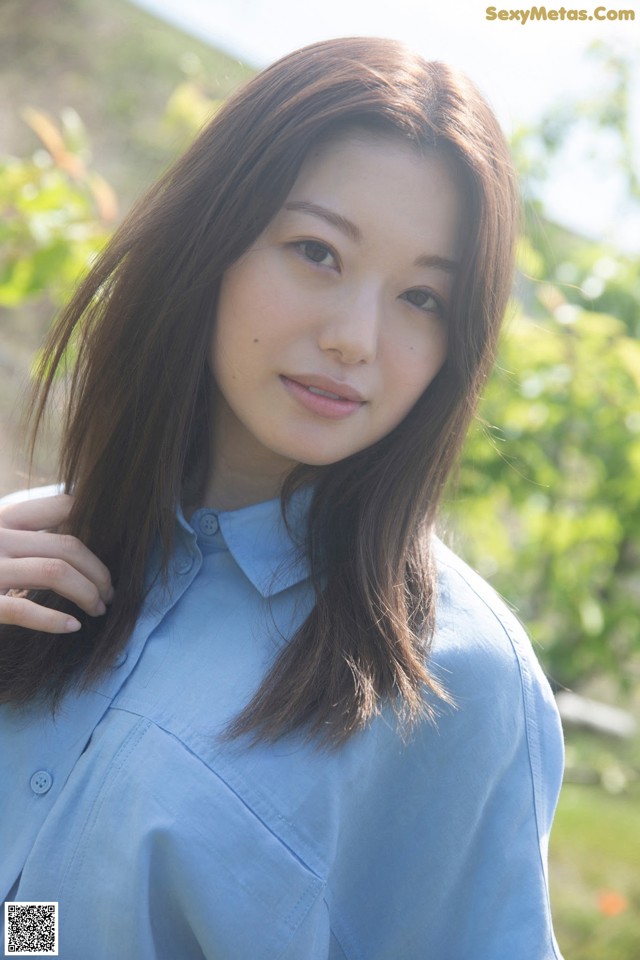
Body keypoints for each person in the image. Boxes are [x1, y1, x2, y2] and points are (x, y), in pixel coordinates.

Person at [0, 37, 564, 959]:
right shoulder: (53, 543)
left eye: (422, 299)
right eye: (317, 251)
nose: (355, 338)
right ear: (211, 240)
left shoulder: (456, 681)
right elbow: (34, 931)